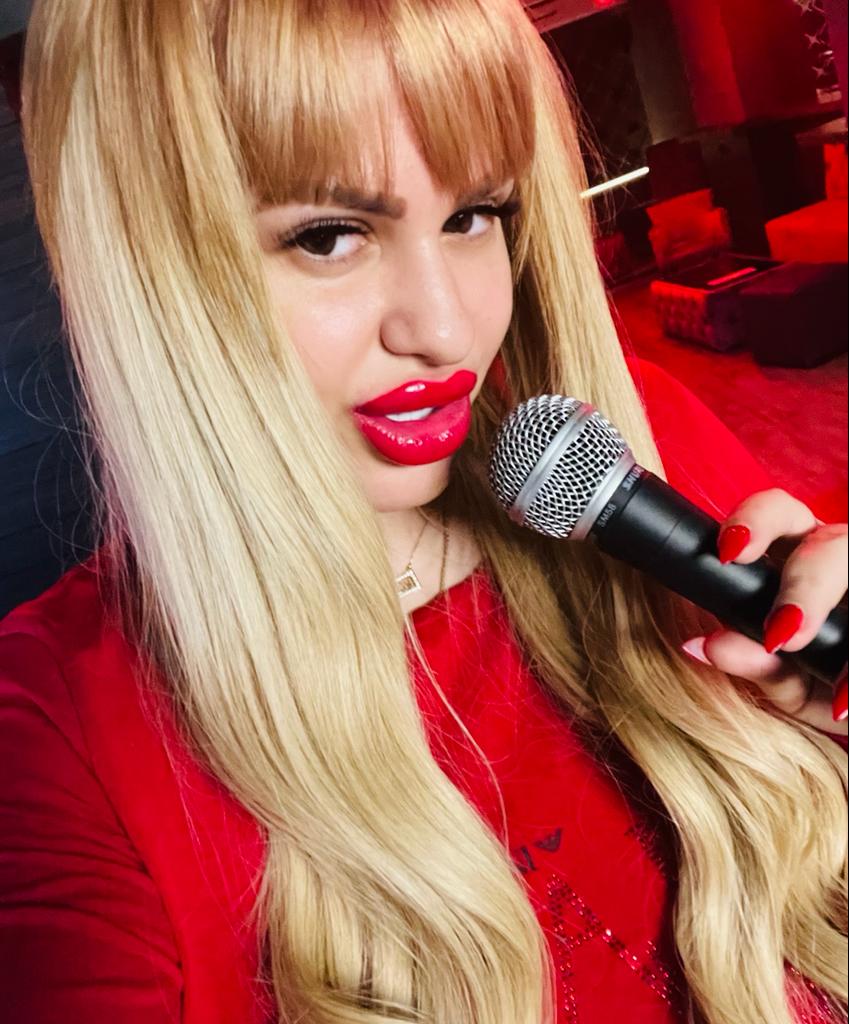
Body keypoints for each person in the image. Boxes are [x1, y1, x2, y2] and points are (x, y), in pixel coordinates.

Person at [0, 1, 846, 1022]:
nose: (445, 330)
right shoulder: (56, 733)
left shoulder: (628, 453)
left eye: (474, 213)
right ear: (143, 262)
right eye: (327, 236)